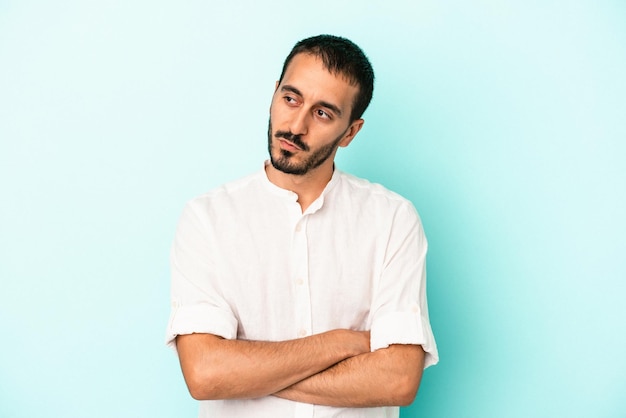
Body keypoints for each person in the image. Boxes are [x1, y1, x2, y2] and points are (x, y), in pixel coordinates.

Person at [166, 34, 438, 418]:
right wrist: (341, 343)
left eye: (323, 113)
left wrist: (248, 374)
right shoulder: (206, 219)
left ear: (350, 132)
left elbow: (397, 380)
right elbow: (206, 374)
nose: (295, 125)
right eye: (291, 99)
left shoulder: (392, 219)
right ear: (274, 92)